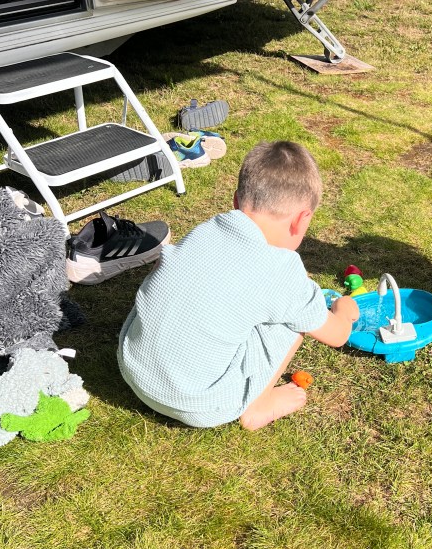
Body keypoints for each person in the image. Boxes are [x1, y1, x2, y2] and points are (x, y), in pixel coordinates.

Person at [118, 140, 359, 431]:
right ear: (301, 220)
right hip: (197, 404)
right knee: (292, 324)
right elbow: (337, 335)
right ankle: (258, 407)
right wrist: (344, 311)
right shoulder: (282, 271)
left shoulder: (204, 232)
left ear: (236, 202)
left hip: (133, 370)